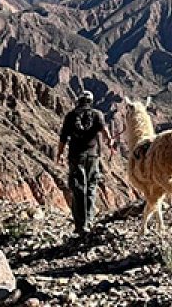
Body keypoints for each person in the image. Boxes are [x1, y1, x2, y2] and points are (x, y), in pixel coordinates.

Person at [56, 90, 115, 235]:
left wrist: (60, 154)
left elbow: (63, 137)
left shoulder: (71, 116)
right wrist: (109, 141)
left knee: (78, 189)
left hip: (76, 157)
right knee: (91, 188)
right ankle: (89, 221)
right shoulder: (97, 114)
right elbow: (105, 131)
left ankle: (80, 225)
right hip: (93, 156)